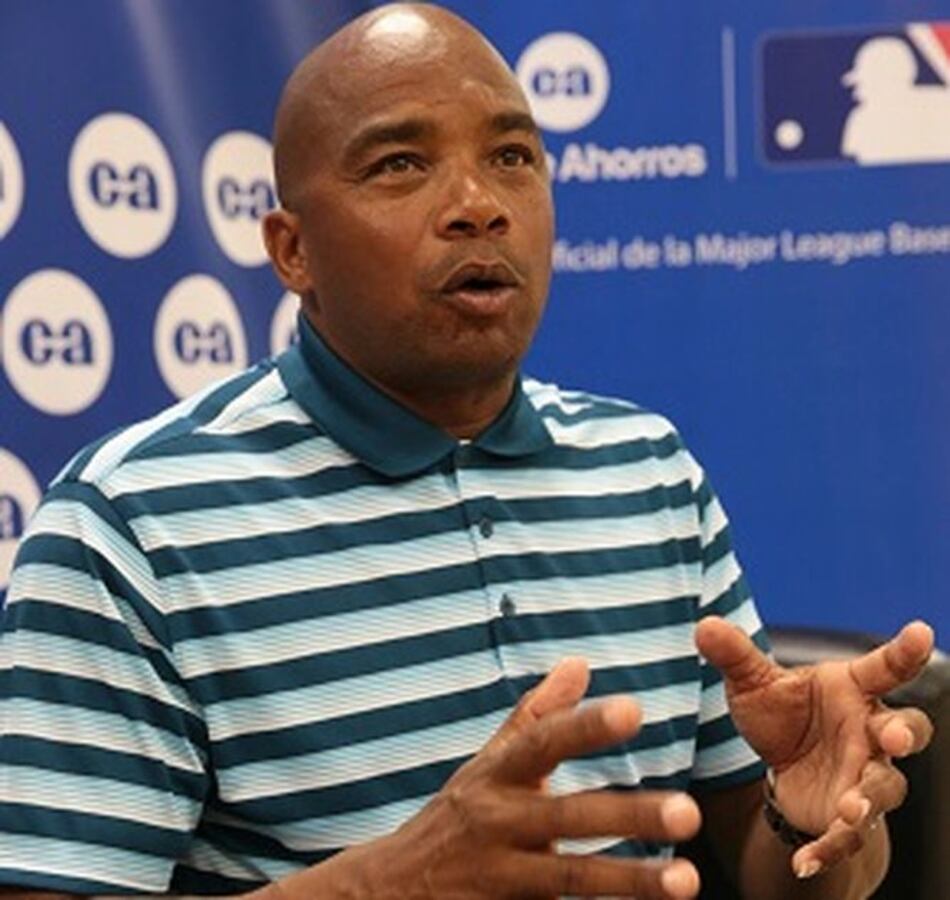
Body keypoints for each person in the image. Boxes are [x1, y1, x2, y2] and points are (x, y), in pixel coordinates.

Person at [0, 4, 934, 899]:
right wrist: (384, 885)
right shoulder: (128, 528)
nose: (478, 206)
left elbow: (774, 873)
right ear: (292, 251)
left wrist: (808, 820)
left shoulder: (649, 471)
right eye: (401, 164)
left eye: (513, 156)